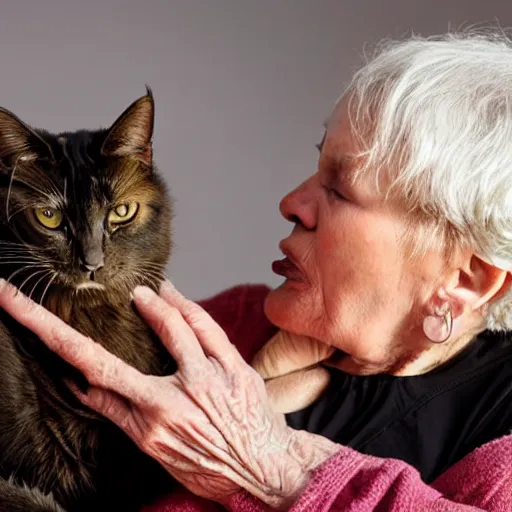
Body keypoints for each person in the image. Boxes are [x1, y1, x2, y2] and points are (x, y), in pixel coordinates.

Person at [0, 29, 512, 511]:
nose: (292, 203)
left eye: (339, 188)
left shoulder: (497, 428)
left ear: (465, 280)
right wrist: (263, 377)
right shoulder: (233, 321)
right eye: (317, 165)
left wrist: (275, 467)